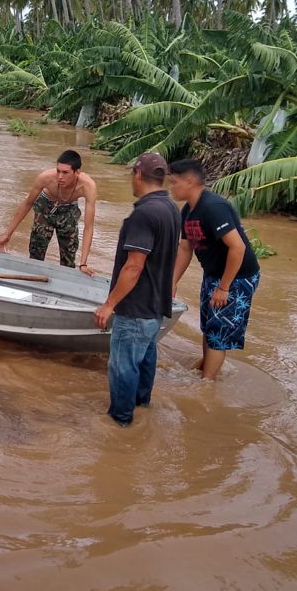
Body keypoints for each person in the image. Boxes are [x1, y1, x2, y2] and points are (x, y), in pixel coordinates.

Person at [93, 154, 180, 427]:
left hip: (135, 307)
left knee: (122, 367)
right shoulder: (171, 208)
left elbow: (134, 266)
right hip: (156, 307)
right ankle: (142, 406)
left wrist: (109, 305)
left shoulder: (143, 214)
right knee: (145, 358)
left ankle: (121, 423)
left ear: (138, 174)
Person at [168, 158, 260, 381]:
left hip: (237, 277)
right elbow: (185, 247)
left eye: (174, 182)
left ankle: (206, 385)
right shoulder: (188, 211)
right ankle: (205, 370)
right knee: (209, 326)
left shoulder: (213, 207)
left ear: (190, 181)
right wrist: (172, 280)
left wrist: (224, 287)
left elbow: (237, 248)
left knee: (219, 332)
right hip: (214, 274)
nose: (170, 187)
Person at [0, 150, 98, 274]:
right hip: (45, 206)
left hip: (69, 210)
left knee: (68, 259)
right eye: (58, 171)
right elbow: (28, 203)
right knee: (36, 253)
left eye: (65, 173)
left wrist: (83, 263)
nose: (60, 177)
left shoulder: (88, 186)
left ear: (77, 172)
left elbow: (88, 227)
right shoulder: (46, 178)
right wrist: (7, 234)